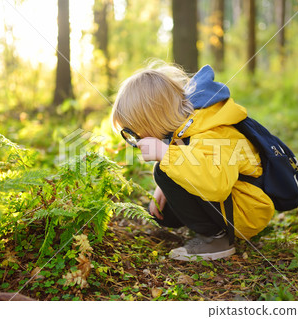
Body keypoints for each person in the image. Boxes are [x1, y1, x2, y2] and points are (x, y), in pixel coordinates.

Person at [111, 62, 274, 261]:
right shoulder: (186, 125)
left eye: (134, 133)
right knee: (163, 207)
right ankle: (209, 228)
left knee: (163, 171)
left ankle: (215, 240)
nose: (135, 140)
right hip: (232, 203)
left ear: (154, 119)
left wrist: (165, 157)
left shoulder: (212, 130)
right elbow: (190, 158)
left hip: (247, 210)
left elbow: (216, 184)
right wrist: (164, 186)